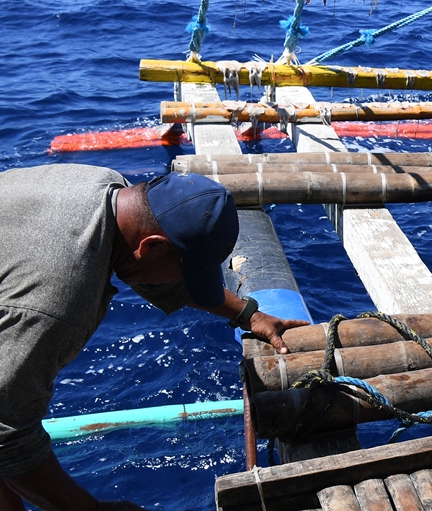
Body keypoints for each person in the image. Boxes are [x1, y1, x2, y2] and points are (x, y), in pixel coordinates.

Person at [0, 164, 308, 511]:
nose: (179, 283)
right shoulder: (55, 302)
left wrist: (247, 313)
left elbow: (153, 271)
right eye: (185, 272)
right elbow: (9, 433)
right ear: (151, 247)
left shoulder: (108, 189)